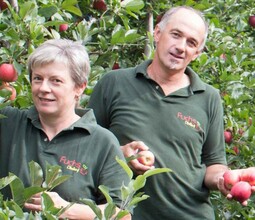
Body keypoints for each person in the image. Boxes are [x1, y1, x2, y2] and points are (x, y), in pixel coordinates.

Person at [87, 6, 249, 220]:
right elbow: (84, 149)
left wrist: (222, 180)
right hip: (124, 214)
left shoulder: (209, 97)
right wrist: (121, 154)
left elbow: (213, 162)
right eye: (176, 35)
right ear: (157, 33)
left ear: (197, 53)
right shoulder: (114, 83)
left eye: (191, 43)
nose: (181, 47)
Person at [0, 39, 131, 220]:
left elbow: (122, 215)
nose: (44, 88)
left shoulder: (102, 142)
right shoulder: (9, 122)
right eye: (38, 78)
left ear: (79, 87)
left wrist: (66, 209)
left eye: (56, 81)